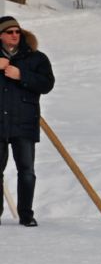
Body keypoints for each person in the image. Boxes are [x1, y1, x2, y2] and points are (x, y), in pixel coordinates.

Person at [0, 16, 54, 227]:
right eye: (9, 32)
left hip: (24, 121)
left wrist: (21, 74)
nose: (15, 35)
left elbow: (47, 84)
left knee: (27, 171)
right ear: (1, 36)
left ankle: (26, 215)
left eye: (17, 31)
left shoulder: (36, 58)